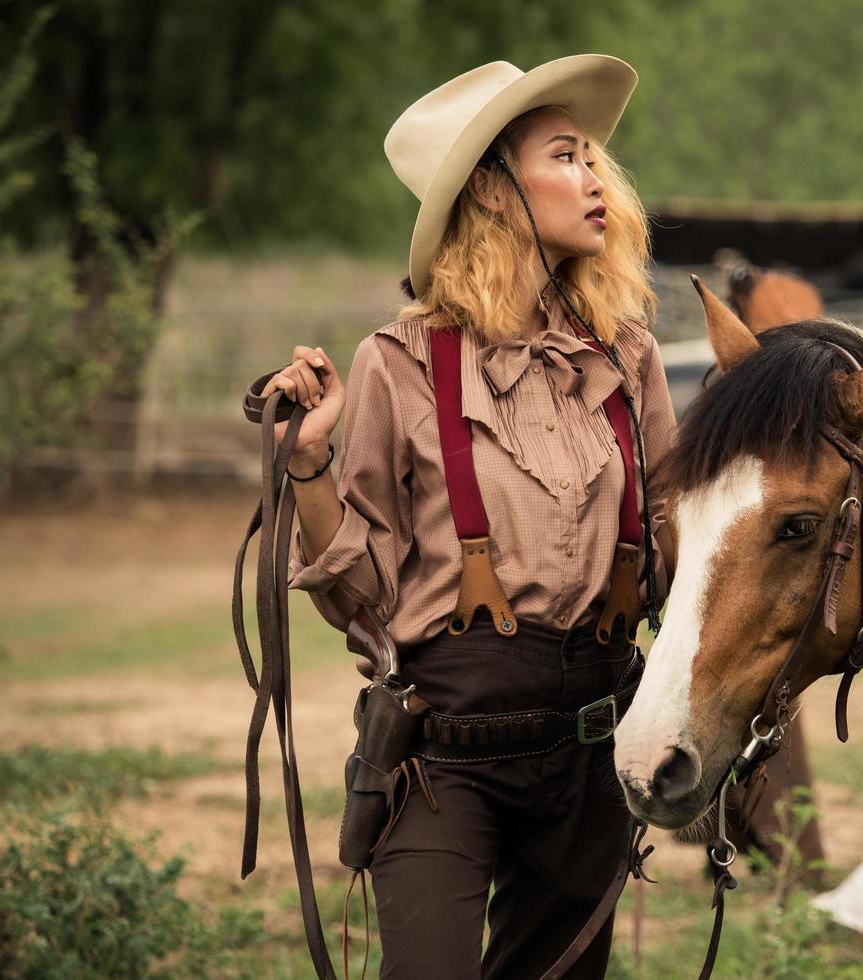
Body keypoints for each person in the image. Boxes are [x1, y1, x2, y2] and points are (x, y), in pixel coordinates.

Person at [258, 55, 677, 979]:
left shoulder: (629, 359)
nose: (594, 179)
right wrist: (309, 462)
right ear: (491, 191)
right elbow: (359, 598)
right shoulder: (397, 363)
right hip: (440, 762)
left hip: (589, 756)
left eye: (593, 158)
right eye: (564, 157)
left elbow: (673, 555)